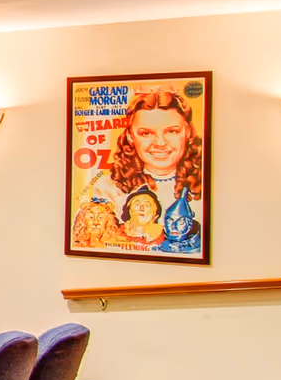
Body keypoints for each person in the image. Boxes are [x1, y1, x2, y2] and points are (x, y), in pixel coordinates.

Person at [81, 86, 205, 255]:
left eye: (172, 131)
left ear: (187, 132)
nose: (160, 143)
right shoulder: (107, 188)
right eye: (146, 133)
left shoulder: (204, 184)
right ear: (131, 136)